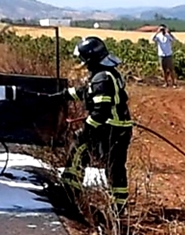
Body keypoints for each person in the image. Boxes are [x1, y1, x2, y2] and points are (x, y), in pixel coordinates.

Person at [57, 36, 135, 214]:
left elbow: (101, 111)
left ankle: (70, 190)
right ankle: (118, 206)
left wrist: (88, 128)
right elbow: (87, 92)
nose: (82, 63)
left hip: (110, 128)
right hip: (119, 127)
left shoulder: (101, 78)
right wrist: (63, 95)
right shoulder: (105, 73)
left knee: (80, 146)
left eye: (83, 59)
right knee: (115, 166)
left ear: (90, 58)